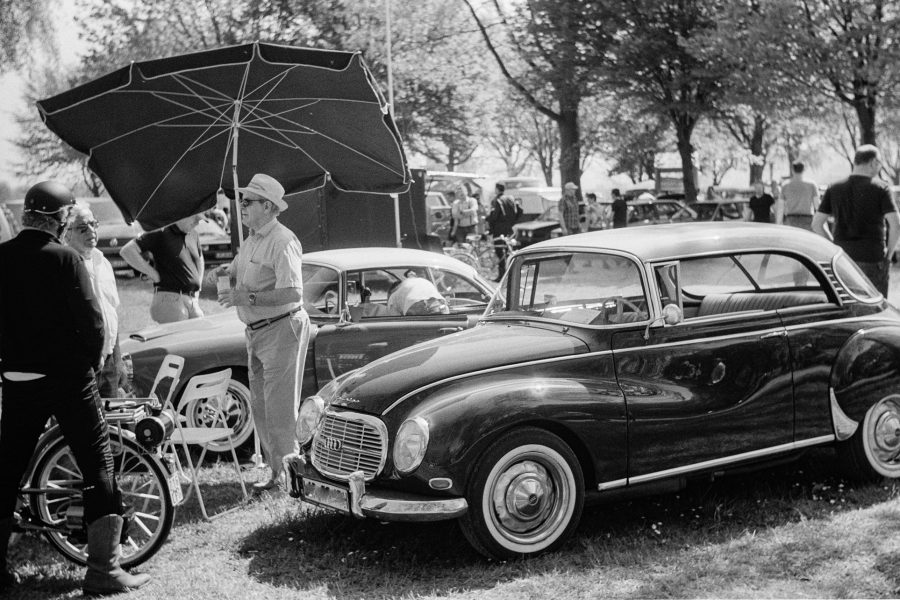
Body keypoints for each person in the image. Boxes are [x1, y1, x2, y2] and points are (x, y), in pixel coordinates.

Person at [0, 181, 150, 595]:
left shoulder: (2, 257)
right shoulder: (66, 259)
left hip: (17, 379)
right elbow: (93, 323)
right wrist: (88, 364)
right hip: (67, 380)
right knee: (97, 465)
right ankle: (104, 570)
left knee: (7, 467)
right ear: (59, 218)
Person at [210, 173, 309, 491]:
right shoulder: (252, 239)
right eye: (241, 201)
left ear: (268, 206)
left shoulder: (283, 240)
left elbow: (293, 293)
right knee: (260, 404)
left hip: (281, 327)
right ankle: (277, 470)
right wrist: (224, 273)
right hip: (256, 331)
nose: (241, 207)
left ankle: (290, 476)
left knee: (279, 406)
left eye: (248, 201)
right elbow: (238, 273)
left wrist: (246, 297)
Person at [812, 145, 900, 297]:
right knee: (874, 310)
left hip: (842, 260)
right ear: (873, 162)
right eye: (879, 163)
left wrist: (834, 247)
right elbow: (896, 225)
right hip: (872, 258)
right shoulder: (881, 188)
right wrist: (888, 256)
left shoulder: (834, 188)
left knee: (846, 309)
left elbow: (816, 224)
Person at [64, 202, 124, 398]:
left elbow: (112, 314)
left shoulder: (103, 262)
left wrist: (118, 360)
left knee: (111, 426)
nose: (91, 231)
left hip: (108, 364)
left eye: (93, 224)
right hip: (79, 366)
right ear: (67, 233)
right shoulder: (63, 266)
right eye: (83, 227)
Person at [120, 212, 206, 323]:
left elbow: (200, 260)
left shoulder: (193, 234)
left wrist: (198, 286)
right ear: (184, 214)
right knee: (179, 338)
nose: (197, 223)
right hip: (169, 297)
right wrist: (154, 275)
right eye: (195, 219)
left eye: (199, 220)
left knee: (198, 335)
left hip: (192, 300)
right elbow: (127, 251)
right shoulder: (160, 232)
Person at [485, 184, 522, 282]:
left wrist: (487, 219)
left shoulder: (497, 200)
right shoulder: (510, 198)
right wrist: (513, 222)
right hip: (509, 229)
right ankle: (511, 274)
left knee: (499, 252)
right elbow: (520, 211)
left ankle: (501, 275)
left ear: (497, 189)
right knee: (508, 251)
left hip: (499, 230)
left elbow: (495, 216)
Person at [778, 161, 819, 230]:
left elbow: (781, 207)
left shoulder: (785, 185)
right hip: (807, 220)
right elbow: (817, 205)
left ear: (792, 170)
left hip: (790, 220)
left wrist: (779, 223)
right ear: (803, 170)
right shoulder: (812, 185)